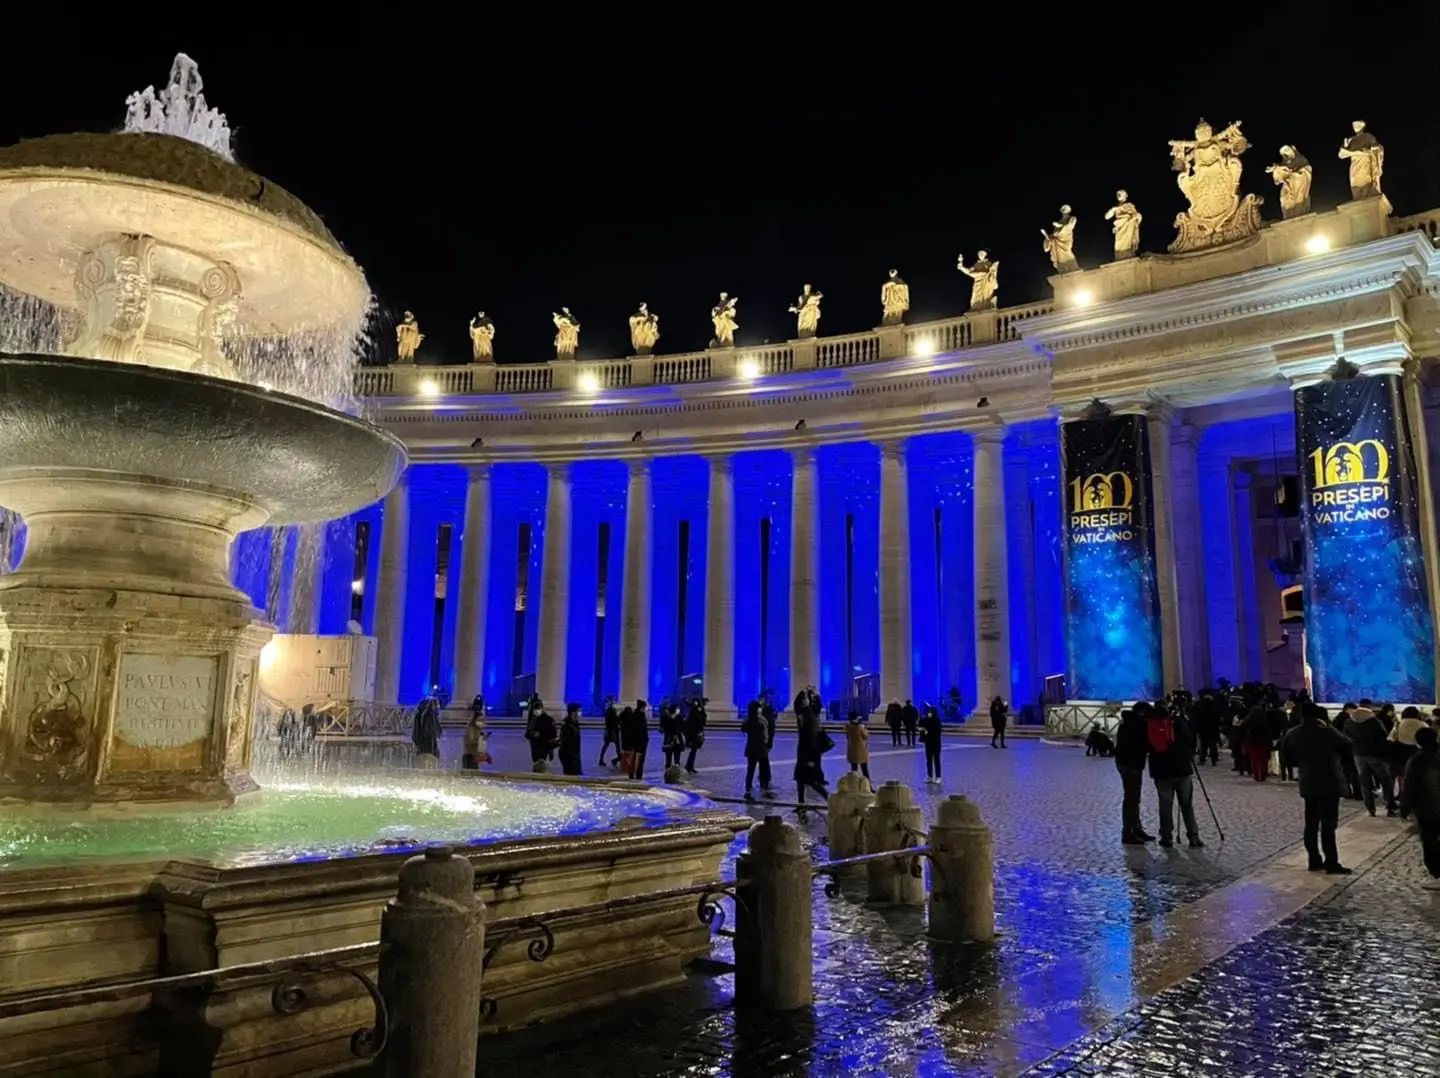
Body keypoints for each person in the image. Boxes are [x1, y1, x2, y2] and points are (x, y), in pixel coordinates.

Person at [1282, 703, 1352, 875]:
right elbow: (1347, 746)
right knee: (1328, 824)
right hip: (1329, 781)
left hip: (1308, 781)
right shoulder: (1328, 732)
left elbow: (1287, 759)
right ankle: (1331, 862)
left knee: (1311, 823)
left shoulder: (1293, 734)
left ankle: (1314, 859)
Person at [1146, 701, 1204, 849]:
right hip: (1182, 770)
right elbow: (1190, 741)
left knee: (1165, 805)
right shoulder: (1177, 722)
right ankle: (1193, 836)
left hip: (1161, 772)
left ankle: (1166, 837)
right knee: (1186, 805)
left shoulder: (1149, 725)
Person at [1399, 725, 1440, 889]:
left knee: (1430, 843)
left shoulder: (1417, 760)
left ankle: (1437, 874)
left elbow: (1410, 786)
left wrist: (1404, 808)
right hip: (1431, 806)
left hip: (1427, 808)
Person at [1345, 703, 1397, 817]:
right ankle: (1390, 806)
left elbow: (1346, 737)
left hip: (1358, 755)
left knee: (1365, 782)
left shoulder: (1349, 723)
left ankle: (1370, 809)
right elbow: (1383, 739)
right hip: (1375, 755)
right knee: (1386, 781)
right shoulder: (1375, 723)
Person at [1115, 707, 1154, 845]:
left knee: (1133, 798)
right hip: (1132, 765)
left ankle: (1136, 828)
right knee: (1132, 799)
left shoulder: (1126, 723)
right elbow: (1146, 745)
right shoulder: (1139, 725)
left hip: (1124, 763)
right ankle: (1128, 832)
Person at [794, 711, 833, 807]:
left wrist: (809, 761)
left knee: (811, 783)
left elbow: (812, 748)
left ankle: (829, 799)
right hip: (803, 760)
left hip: (807, 761)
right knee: (801, 782)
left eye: (801, 717)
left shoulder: (809, 733)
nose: (799, 718)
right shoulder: (806, 730)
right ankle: (801, 803)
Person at [742, 700, 774, 800]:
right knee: (763, 768)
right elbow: (766, 735)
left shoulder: (747, 719)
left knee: (750, 770)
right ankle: (764, 788)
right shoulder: (762, 720)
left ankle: (748, 789)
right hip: (761, 748)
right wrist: (767, 744)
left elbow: (743, 729)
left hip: (751, 748)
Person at [619, 699, 649, 779]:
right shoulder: (638, 717)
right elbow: (639, 730)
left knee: (636, 760)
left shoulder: (637, 715)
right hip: (639, 742)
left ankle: (634, 774)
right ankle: (637, 774)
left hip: (639, 742)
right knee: (637, 760)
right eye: (645, 707)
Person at [919, 702, 944, 784]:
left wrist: (927, 731)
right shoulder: (926, 720)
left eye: (930, 713)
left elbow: (937, 732)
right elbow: (920, 725)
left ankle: (938, 777)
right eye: (928, 712)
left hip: (936, 744)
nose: (929, 714)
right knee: (929, 760)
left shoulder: (937, 722)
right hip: (928, 744)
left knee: (936, 760)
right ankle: (929, 776)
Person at [411, 695, 441, 759]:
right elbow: (429, 732)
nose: (438, 707)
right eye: (436, 705)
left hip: (424, 745)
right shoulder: (428, 716)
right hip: (427, 745)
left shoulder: (421, 714)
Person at [683, 697, 708, 773]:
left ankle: (690, 766)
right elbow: (700, 720)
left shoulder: (696, 710)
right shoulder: (696, 710)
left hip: (695, 732)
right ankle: (689, 766)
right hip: (694, 733)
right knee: (693, 751)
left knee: (693, 751)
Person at [845, 710, 871, 781]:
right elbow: (865, 736)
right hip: (861, 750)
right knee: (864, 769)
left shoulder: (848, 727)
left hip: (852, 750)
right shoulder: (859, 727)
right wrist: (864, 729)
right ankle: (868, 785)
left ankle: (853, 785)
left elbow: (847, 737)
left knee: (854, 769)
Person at [558, 704, 583, 776]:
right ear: (573, 712)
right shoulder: (566, 724)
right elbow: (566, 741)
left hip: (575, 755)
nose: (580, 713)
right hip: (569, 756)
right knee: (571, 775)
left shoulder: (575, 723)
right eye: (579, 711)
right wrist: (572, 757)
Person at [659, 699, 684, 769]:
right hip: (669, 738)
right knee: (668, 755)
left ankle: (676, 767)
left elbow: (682, 726)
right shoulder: (668, 717)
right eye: (677, 709)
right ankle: (668, 768)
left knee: (677, 755)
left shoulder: (679, 717)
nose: (678, 710)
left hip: (677, 738)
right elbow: (666, 724)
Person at [599, 696, 621, 768]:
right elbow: (611, 721)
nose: (614, 702)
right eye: (613, 701)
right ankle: (617, 759)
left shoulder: (610, 710)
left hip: (611, 730)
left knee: (608, 745)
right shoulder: (610, 710)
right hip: (612, 731)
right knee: (616, 746)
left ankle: (616, 759)